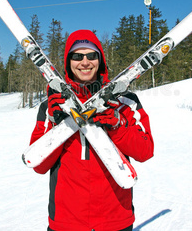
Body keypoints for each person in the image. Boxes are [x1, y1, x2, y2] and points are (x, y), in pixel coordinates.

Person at [29, 29, 154, 231]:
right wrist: (56, 123)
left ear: (100, 60)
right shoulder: (51, 106)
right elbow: (38, 165)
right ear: (68, 62)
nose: (85, 62)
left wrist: (116, 124)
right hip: (66, 221)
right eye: (77, 56)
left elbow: (145, 150)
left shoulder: (124, 102)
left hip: (115, 219)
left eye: (91, 55)